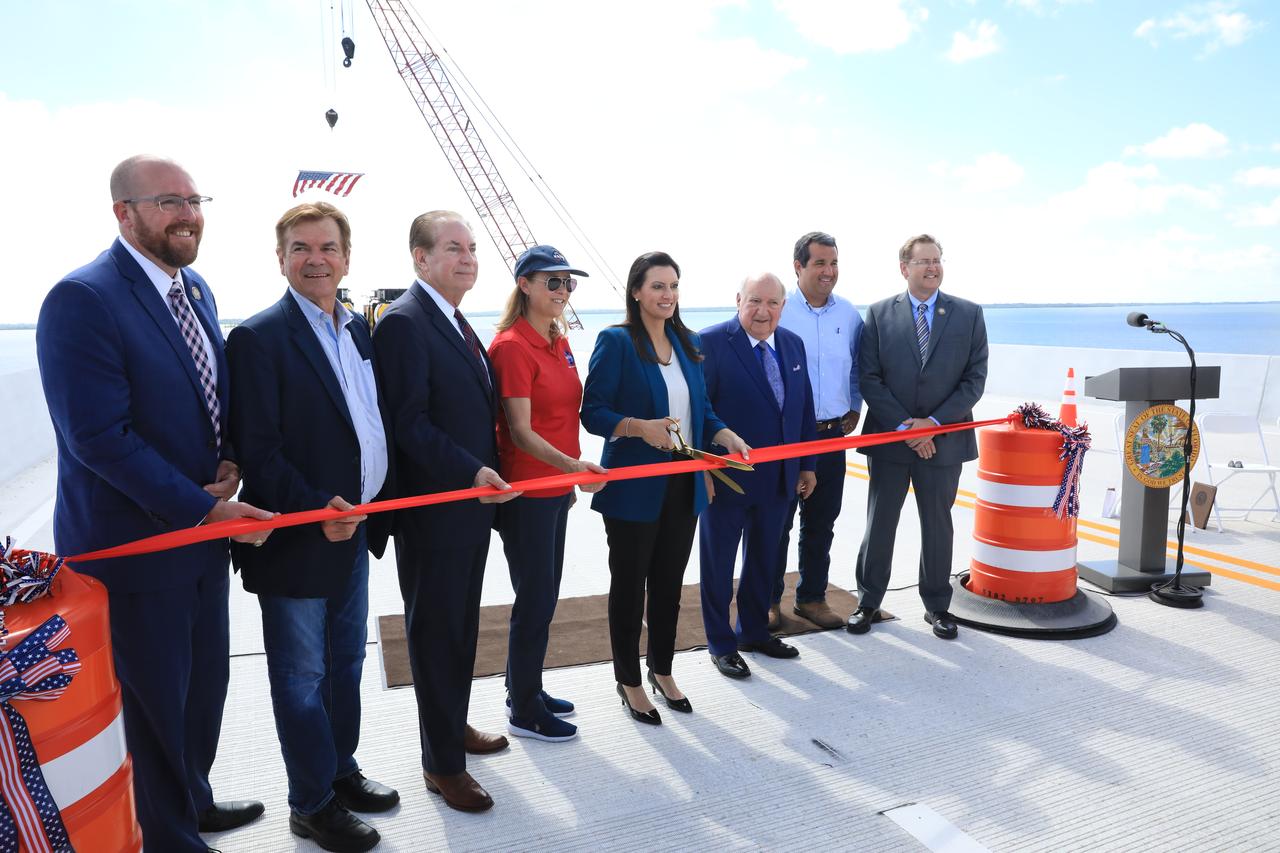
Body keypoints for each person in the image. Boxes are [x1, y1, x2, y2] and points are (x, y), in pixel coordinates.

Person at [36, 155, 273, 851]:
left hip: (199, 539)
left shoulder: (194, 287)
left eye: (195, 199)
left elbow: (204, 393)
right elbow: (98, 438)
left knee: (203, 690)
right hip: (135, 549)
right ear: (124, 213)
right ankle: (167, 836)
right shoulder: (83, 298)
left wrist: (227, 461)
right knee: (154, 706)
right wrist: (201, 510)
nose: (189, 214)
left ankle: (190, 801)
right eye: (170, 201)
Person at [225, 202, 397, 852]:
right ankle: (311, 803)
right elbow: (260, 449)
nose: (315, 258)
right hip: (299, 539)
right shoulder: (259, 338)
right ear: (281, 259)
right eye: (301, 247)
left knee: (347, 662)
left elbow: (367, 424)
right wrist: (317, 506)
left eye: (327, 247)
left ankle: (340, 769)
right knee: (301, 675)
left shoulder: (356, 331)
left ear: (346, 258)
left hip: (353, 535)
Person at [372, 211, 518, 814]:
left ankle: (451, 727)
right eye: (453, 248)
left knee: (459, 627)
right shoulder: (405, 324)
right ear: (420, 257)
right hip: (436, 509)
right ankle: (441, 765)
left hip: (470, 507)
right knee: (435, 631)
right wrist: (467, 469)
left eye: (473, 248)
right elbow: (407, 423)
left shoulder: (456, 322)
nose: (468, 257)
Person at [581, 252, 749, 722]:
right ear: (636, 291)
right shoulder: (615, 342)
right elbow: (592, 412)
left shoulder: (690, 342)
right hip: (635, 487)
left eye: (674, 286)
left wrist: (723, 434)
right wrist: (638, 427)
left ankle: (663, 669)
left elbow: (703, 410)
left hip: (684, 484)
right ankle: (629, 680)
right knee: (630, 587)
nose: (668, 295)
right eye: (658, 286)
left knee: (670, 586)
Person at [489, 244, 607, 743]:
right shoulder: (513, 346)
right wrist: (573, 469)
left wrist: (568, 479)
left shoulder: (557, 340)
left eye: (568, 283)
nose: (562, 291)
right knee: (534, 598)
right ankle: (524, 710)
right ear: (525, 285)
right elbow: (519, 430)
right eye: (552, 282)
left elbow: (561, 418)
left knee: (545, 594)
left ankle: (526, 688)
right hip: (529, 491)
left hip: (555, 487)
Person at [849, 234, 988, 640]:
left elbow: (973, 380)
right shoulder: (878, 314)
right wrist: (908, 428)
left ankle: (938, 606)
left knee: (937, 523)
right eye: (924, 261)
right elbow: (869, 378)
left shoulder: (968, 314)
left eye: (938, 260)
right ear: (903, 267)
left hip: (943, 440)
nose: (933, 267)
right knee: (881, 523)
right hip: (891, 439)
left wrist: (933, 424)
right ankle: (868, 601)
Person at [698, 273, 816, 679]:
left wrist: (807, 465)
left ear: (783, 306)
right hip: (727, 479)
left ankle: (752, 631)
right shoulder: (710, 343)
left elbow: (803, 411)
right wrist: (703, 472)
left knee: (765, 561)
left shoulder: (792, 344)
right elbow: (698, 413)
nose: (763, 311)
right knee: (718, 565)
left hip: (780, 480)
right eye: (754, 301)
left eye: (772, 303)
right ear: (738, 301)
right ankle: (720, 643)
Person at [773, 231, 863, 630]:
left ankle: (811, 597)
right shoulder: (779, 312)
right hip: (786, 436)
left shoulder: (849, 314)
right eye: (820, 263)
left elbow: (859, 364)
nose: (829, 271)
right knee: (777, 523)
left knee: (822, 521)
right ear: (798, 267)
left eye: (834, 263)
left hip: (830, 435)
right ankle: (768, 600)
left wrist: (854, 405)